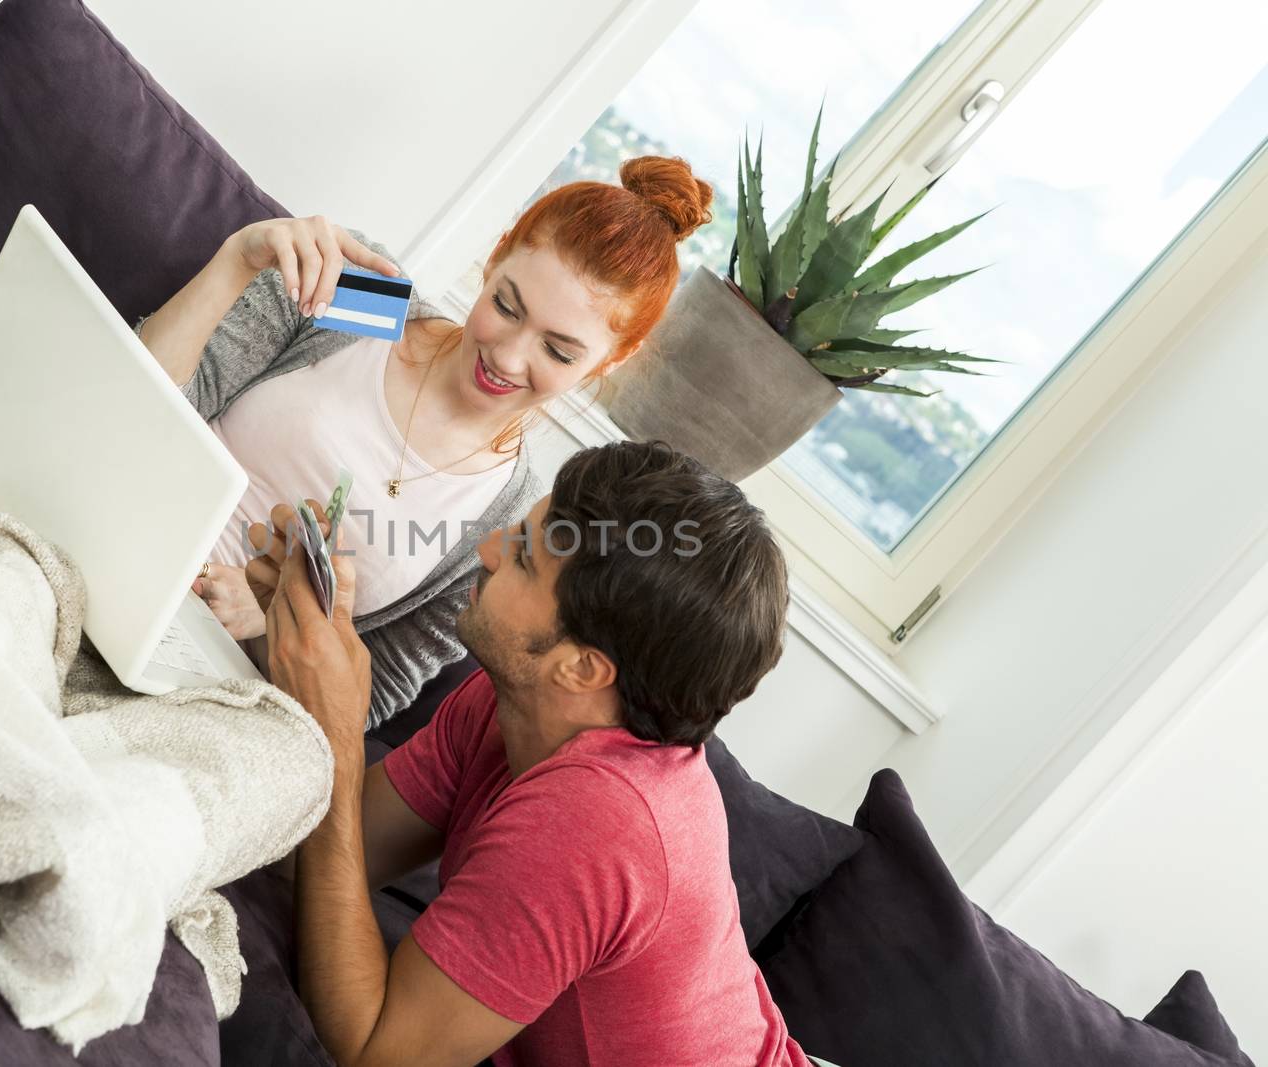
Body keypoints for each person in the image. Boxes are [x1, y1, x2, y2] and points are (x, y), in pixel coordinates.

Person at [244, 440, 814, 1067]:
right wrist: (305, 646)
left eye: (521, 559)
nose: (488, 551)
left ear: (581, 669)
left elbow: (374, 1054)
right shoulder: (510, 699)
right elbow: (306, 860)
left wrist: (335, 733)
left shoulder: (598, 819)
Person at [134, 156, 714, 728]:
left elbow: (359, 708)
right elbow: (137, 398)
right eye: (506, 306)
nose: (508, 357)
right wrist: (238, 260)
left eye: (559, 351)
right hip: (121, 528)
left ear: (615, 359)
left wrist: (272, 624)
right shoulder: (367, 299)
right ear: (495, 256)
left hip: (201, 692)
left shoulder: (509, 517)